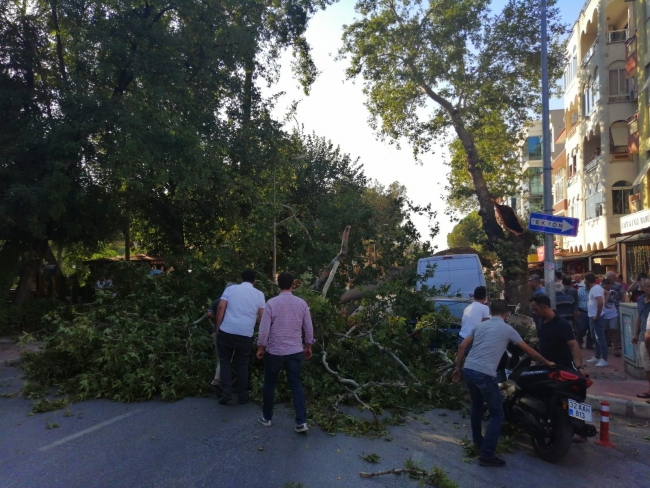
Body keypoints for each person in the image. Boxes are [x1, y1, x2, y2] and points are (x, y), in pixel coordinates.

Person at [452, 300, 555, 468]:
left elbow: (462, 346)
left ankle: (478, 442)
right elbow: (528, 351)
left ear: (490, 312)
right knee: (497, 414)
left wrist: (458, 368)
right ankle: (487, 455)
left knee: (477, 408)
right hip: (484, 374)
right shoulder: (507, 329)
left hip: (469, 370)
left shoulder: (479, 327)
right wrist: (546, 361)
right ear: (506, 314)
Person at [256, 272, 314, 432]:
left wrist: (261, 347)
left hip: (274, 351)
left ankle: (266, 418)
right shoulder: (301, 303)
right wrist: (308, 346)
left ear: (278, 284)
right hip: (295, 350)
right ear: (293, 284)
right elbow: (308, 328)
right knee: (296, 384)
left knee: (269, 383)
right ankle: (301, 422)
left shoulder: (271, 303)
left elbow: (264, 329)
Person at [215, 270, 266, 405]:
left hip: (227, 330)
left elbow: (221, 307)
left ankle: (226, 392)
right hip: (245, 334)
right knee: (242, 363)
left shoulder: (231, 289)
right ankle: (242, 395)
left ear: (240, 278)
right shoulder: (259, 294)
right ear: (254, 281)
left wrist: (218, 326)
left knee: (225, 361)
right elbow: (263, 316)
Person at [529, 294, 585, 373]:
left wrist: (579, 367)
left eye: (536, 309)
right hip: (546, 366)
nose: (533, 312)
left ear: (545, 307)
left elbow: (574, 345)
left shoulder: (562, 324)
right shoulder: (541, 321)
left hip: (562, 368)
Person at [207, 283, 236, 388]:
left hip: (217, 332)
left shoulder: (217, 300)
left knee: (221, 358)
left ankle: (220, 380)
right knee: (226, 359)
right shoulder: (234, 302)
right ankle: (217, 381)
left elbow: (209, 314)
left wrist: (216, 320)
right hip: (229, 333)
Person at [584, 273, 608, 367]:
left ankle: (604, 359)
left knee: (600, 337)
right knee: (594, 337)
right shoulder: (595, 288)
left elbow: (600, 302)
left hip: (596, 317)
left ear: (587, 280)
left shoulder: (596, 289)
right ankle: (597, 356)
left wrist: (597, 315)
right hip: (592, 316)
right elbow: (606, 294)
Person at [633, 279, 650, 399]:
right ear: (642, 288)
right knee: (647, 364)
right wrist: (636, 333)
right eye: (648, 286)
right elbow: (639, 317)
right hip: (644, 336)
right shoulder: (641, 300)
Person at [458, 286, 490, 351]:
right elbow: (486, 326)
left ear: (474, 296)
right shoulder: (484, 308)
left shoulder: (467, 308)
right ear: (484, 297)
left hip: (461, 339)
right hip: (472, 341)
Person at [601, 278, 621, 357]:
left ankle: (615, 349)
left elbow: (617, 302)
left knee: (613, 330)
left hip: (613, 314)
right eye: (606, 284)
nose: (607, 285)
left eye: (609, 284)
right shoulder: (600, 292)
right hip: (603, 313)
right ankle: (604, 348)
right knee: (604, 331)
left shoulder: (614, 293)